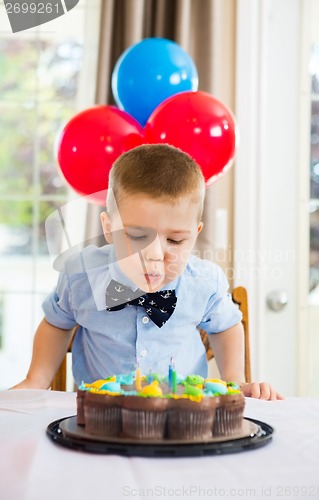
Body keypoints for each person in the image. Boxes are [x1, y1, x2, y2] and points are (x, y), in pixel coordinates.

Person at [12, 144, 283, 400]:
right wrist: (36, 379)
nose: (155, 255)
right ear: (108, 228)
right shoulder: (81, 276)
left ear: (195, 234)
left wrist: (234, 380)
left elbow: (226, 327)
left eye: (175, 241)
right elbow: (56, 324)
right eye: (137, 236)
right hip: (100, 415)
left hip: (182, 415)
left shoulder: (203, 283)